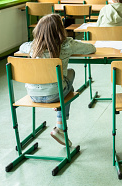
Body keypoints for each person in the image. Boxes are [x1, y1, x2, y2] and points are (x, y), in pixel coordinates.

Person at [19, 14, 96, 146]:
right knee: (69, 76)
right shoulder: (67, 45)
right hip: (55, 94)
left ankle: (59, 119)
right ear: (61, 30)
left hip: (33, 94)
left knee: (64, 81)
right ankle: (59, 127)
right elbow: (91, 49)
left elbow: (21, 47)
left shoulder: (33, 47)